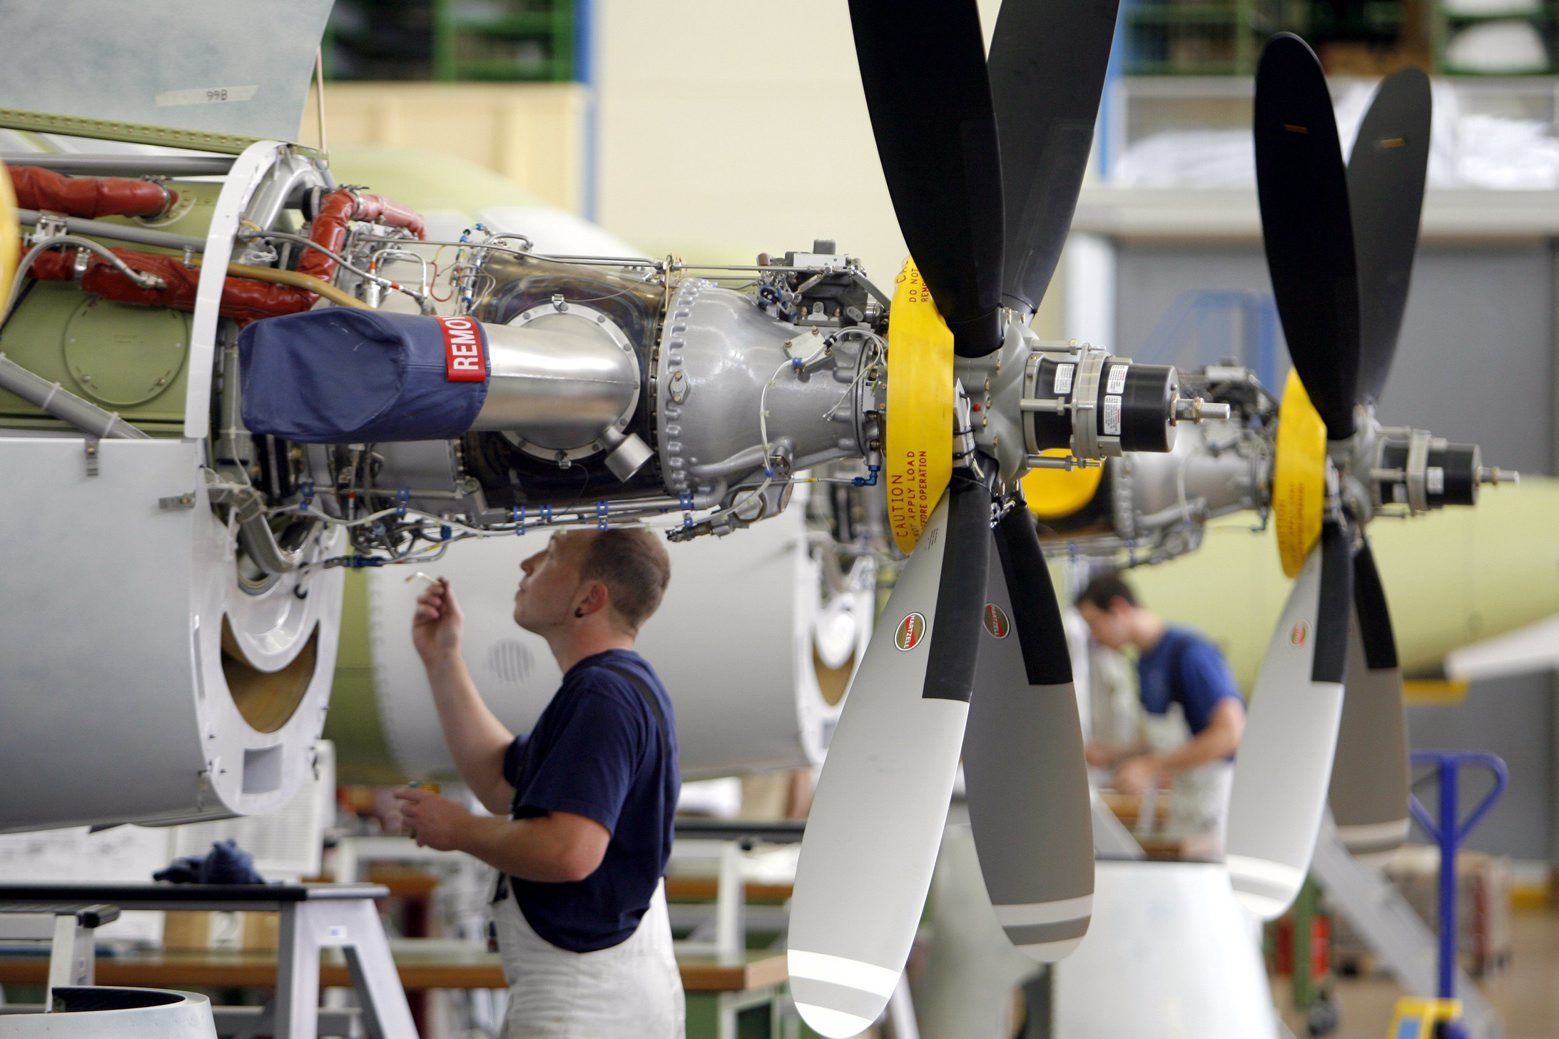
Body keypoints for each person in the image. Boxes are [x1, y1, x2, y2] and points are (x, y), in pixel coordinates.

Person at [394, 527, 684, 1038]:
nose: (526, 565)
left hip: (582, 1002)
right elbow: (503, 782)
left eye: (549, 556)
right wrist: (444, 659)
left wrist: (459, 831)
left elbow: (569, 851)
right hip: (611, 986)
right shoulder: (618, 686)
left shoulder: (602, 695)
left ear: (589, 599)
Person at [1075, 571, 1245, 853]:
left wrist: (1151, 767)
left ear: (1119, 609)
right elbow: (1167, 734)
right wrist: (1114, 754)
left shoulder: (1190, 653)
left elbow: (1230, 733)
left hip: (1216, 797)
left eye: (1095, 624)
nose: (1095, 637)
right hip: (1186, 794)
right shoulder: (1145, 662)